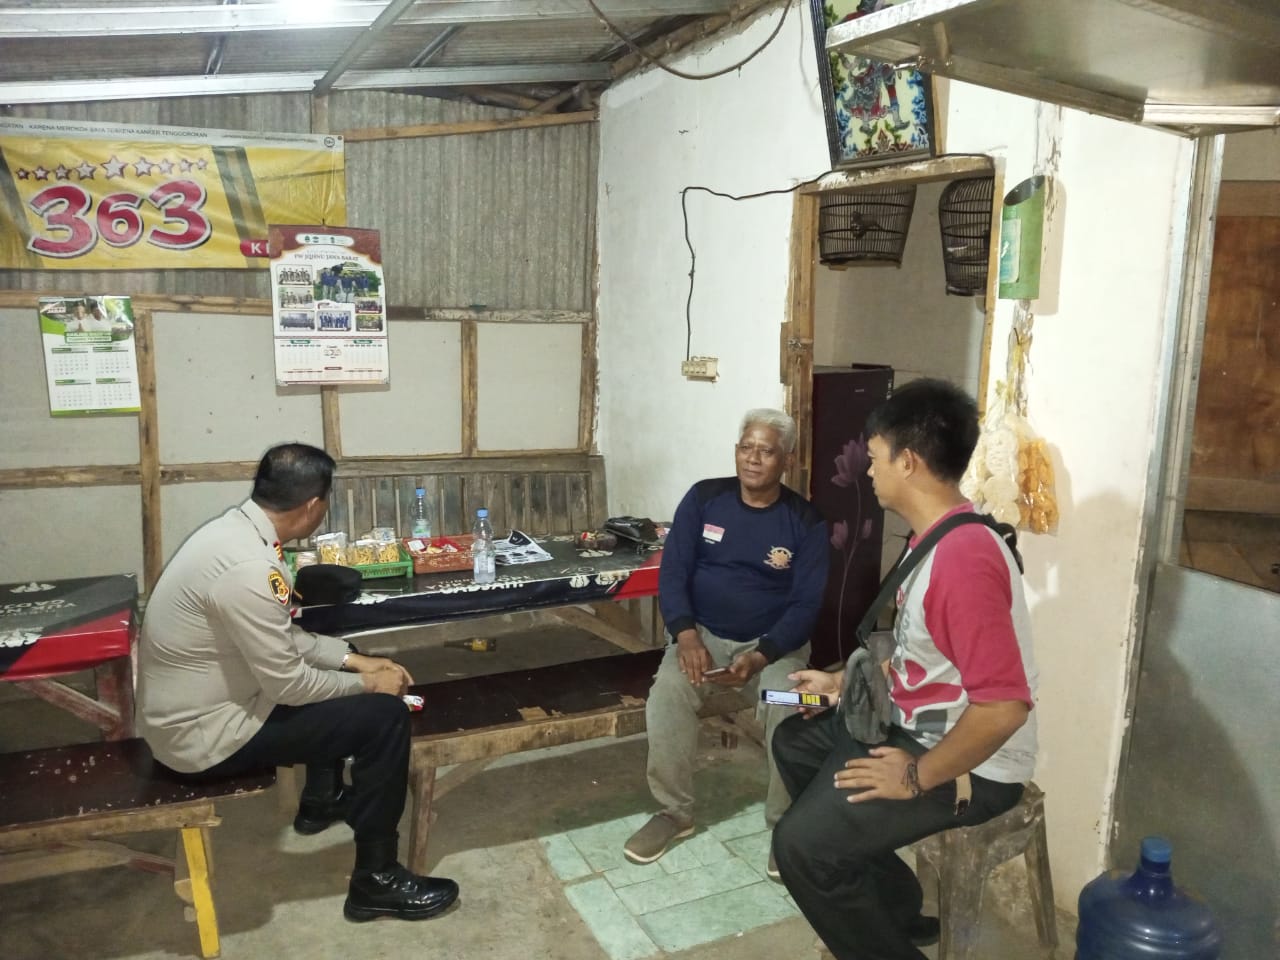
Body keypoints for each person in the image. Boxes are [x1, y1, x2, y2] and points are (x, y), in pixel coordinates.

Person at [135, 442, 459, 923]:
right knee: (384, 718)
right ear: (312, 506)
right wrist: (371, 685)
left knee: (347, 667)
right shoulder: (249, 569)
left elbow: (282, 636)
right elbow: (289, 686)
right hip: (202, 737)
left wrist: (355, 660)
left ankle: (322, 800)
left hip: (205, 708)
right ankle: (377, 881)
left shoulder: (234, 533)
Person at [770, 379, 1038, 960]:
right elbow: (920, 649)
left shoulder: (962, 560)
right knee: (794, 742)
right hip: (917, 725)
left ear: (908, 461)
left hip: (975, 763)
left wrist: (916, 776)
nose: (869, 471)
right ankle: (893, 911)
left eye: (874, 457)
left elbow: (1004, 709)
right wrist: (842, 683)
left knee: (801, 849)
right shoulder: (934, 538)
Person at [623, 408, 830, 871]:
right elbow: (673, 573)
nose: (753, 458)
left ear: (786, 460)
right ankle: (674, 813)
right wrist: (686, 635)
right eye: (746, 448)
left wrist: (762, 655)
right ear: (736, 451)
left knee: (788, 704)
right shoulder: (704, 499)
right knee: (667, 694)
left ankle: (785, 826)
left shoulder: (805, 522)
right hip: (704, 639)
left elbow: (805, 606)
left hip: (775, 650)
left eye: (766, 451)